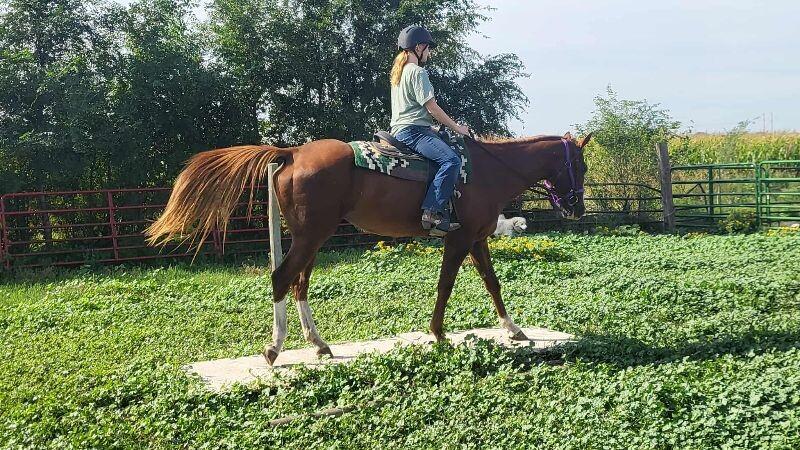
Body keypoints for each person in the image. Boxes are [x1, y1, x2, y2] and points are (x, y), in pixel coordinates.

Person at [390, 25, 470, 236]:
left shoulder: (398, 74)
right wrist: (457, 128)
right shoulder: (417, 72)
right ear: (419, 47)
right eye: (428, 48)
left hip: (401, 129)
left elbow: (410, 110)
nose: (429, 53)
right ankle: (432, 212)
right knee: (451, 160)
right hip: (413, 132)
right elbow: (431, 107)